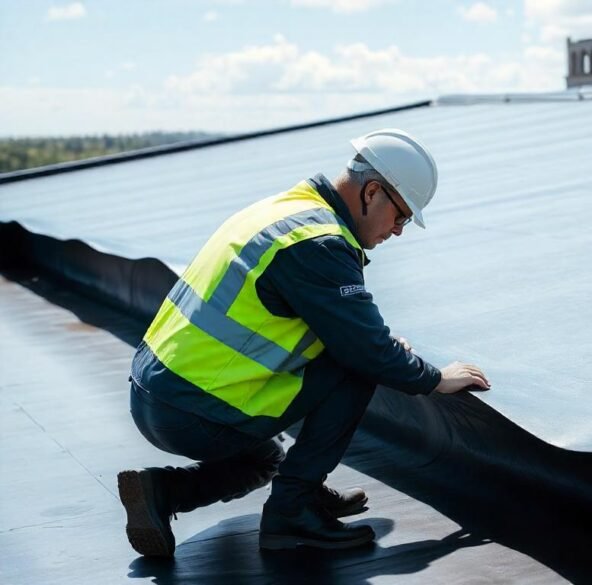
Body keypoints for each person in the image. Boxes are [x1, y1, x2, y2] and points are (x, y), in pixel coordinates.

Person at [117, 128, 490, 556]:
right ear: (372, 192)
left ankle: (162, 491)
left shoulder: (285, 211)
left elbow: (337, 327)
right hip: (192, 409)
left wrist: (370, 342)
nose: (399, 231)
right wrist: (435, 378)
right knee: (354, 367)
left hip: (154, 393)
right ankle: (293, 511)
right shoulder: (320, 244)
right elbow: (366, 352)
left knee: (264, 459)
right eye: (402, 215)